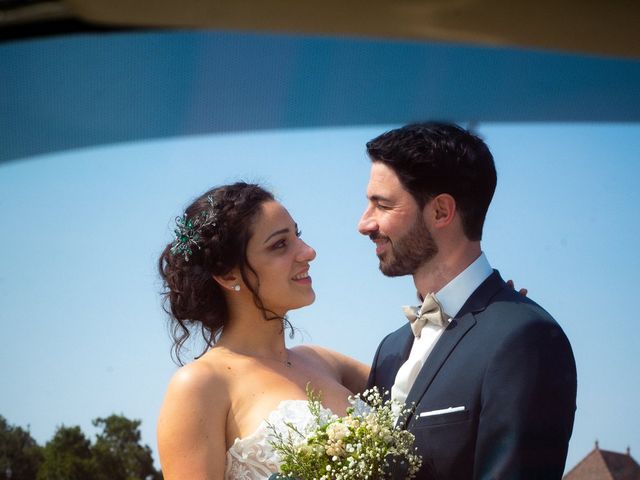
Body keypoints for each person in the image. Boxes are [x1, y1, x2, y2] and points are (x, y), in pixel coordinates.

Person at [359, 122, 577, 479]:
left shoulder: (525, 338)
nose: (364, 224)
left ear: (441, 212)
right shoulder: (390, 349)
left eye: (382, 205)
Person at [156, 182, 369, 479]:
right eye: (280, 244)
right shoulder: (200, 385)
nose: (308, 252)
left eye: (298, 235)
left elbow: (426, 387)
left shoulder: (325, 361)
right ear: (227, 274)